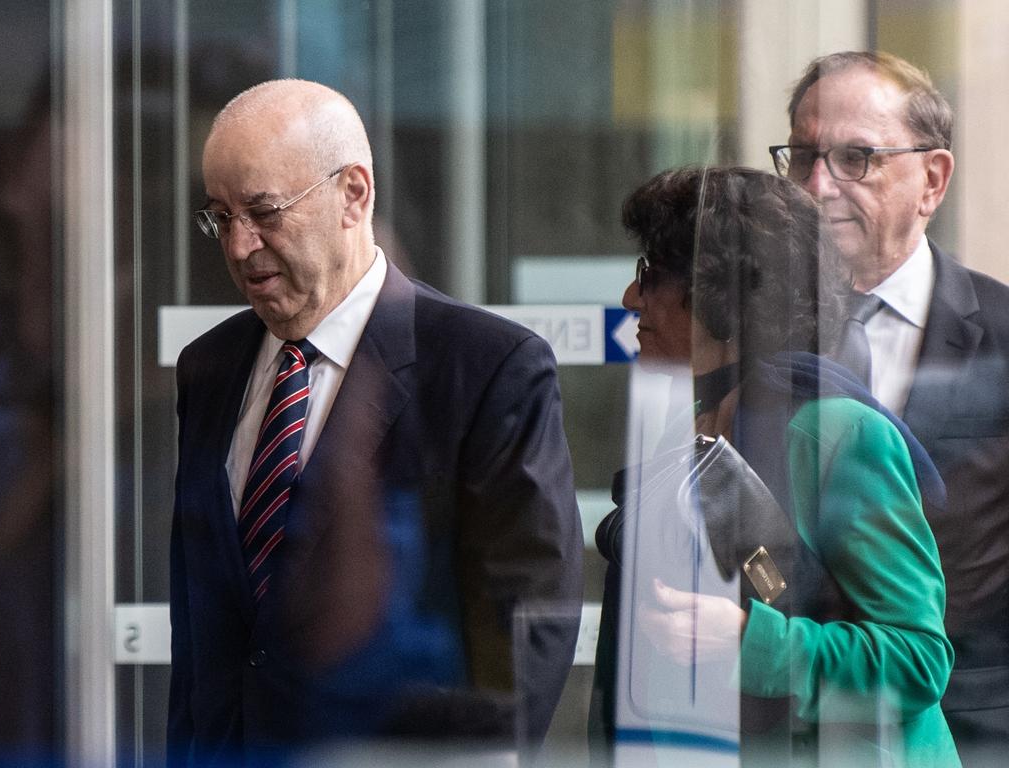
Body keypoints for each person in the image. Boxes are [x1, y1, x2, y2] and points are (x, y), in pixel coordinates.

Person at [168, 79, 583, 766]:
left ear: (354, 194)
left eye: (265, 212)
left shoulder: (488, 367)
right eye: (220, 216)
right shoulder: (209, 368)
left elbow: (526, 632)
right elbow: (204, 621)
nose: (240, 247)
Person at [591, 166, 959, 766]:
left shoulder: (836, 433)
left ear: (724, 296)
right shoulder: (684, 427)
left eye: (650, 275)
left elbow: (918, 659)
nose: (632, 299)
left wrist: (745, 641)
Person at [773, 50, 1009, 766]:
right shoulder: (749, 334)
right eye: (804, 156)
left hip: (968, 739)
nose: (819, 185)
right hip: (782, 737)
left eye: (856, 158)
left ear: (932, 180)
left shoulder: (1003, 339)